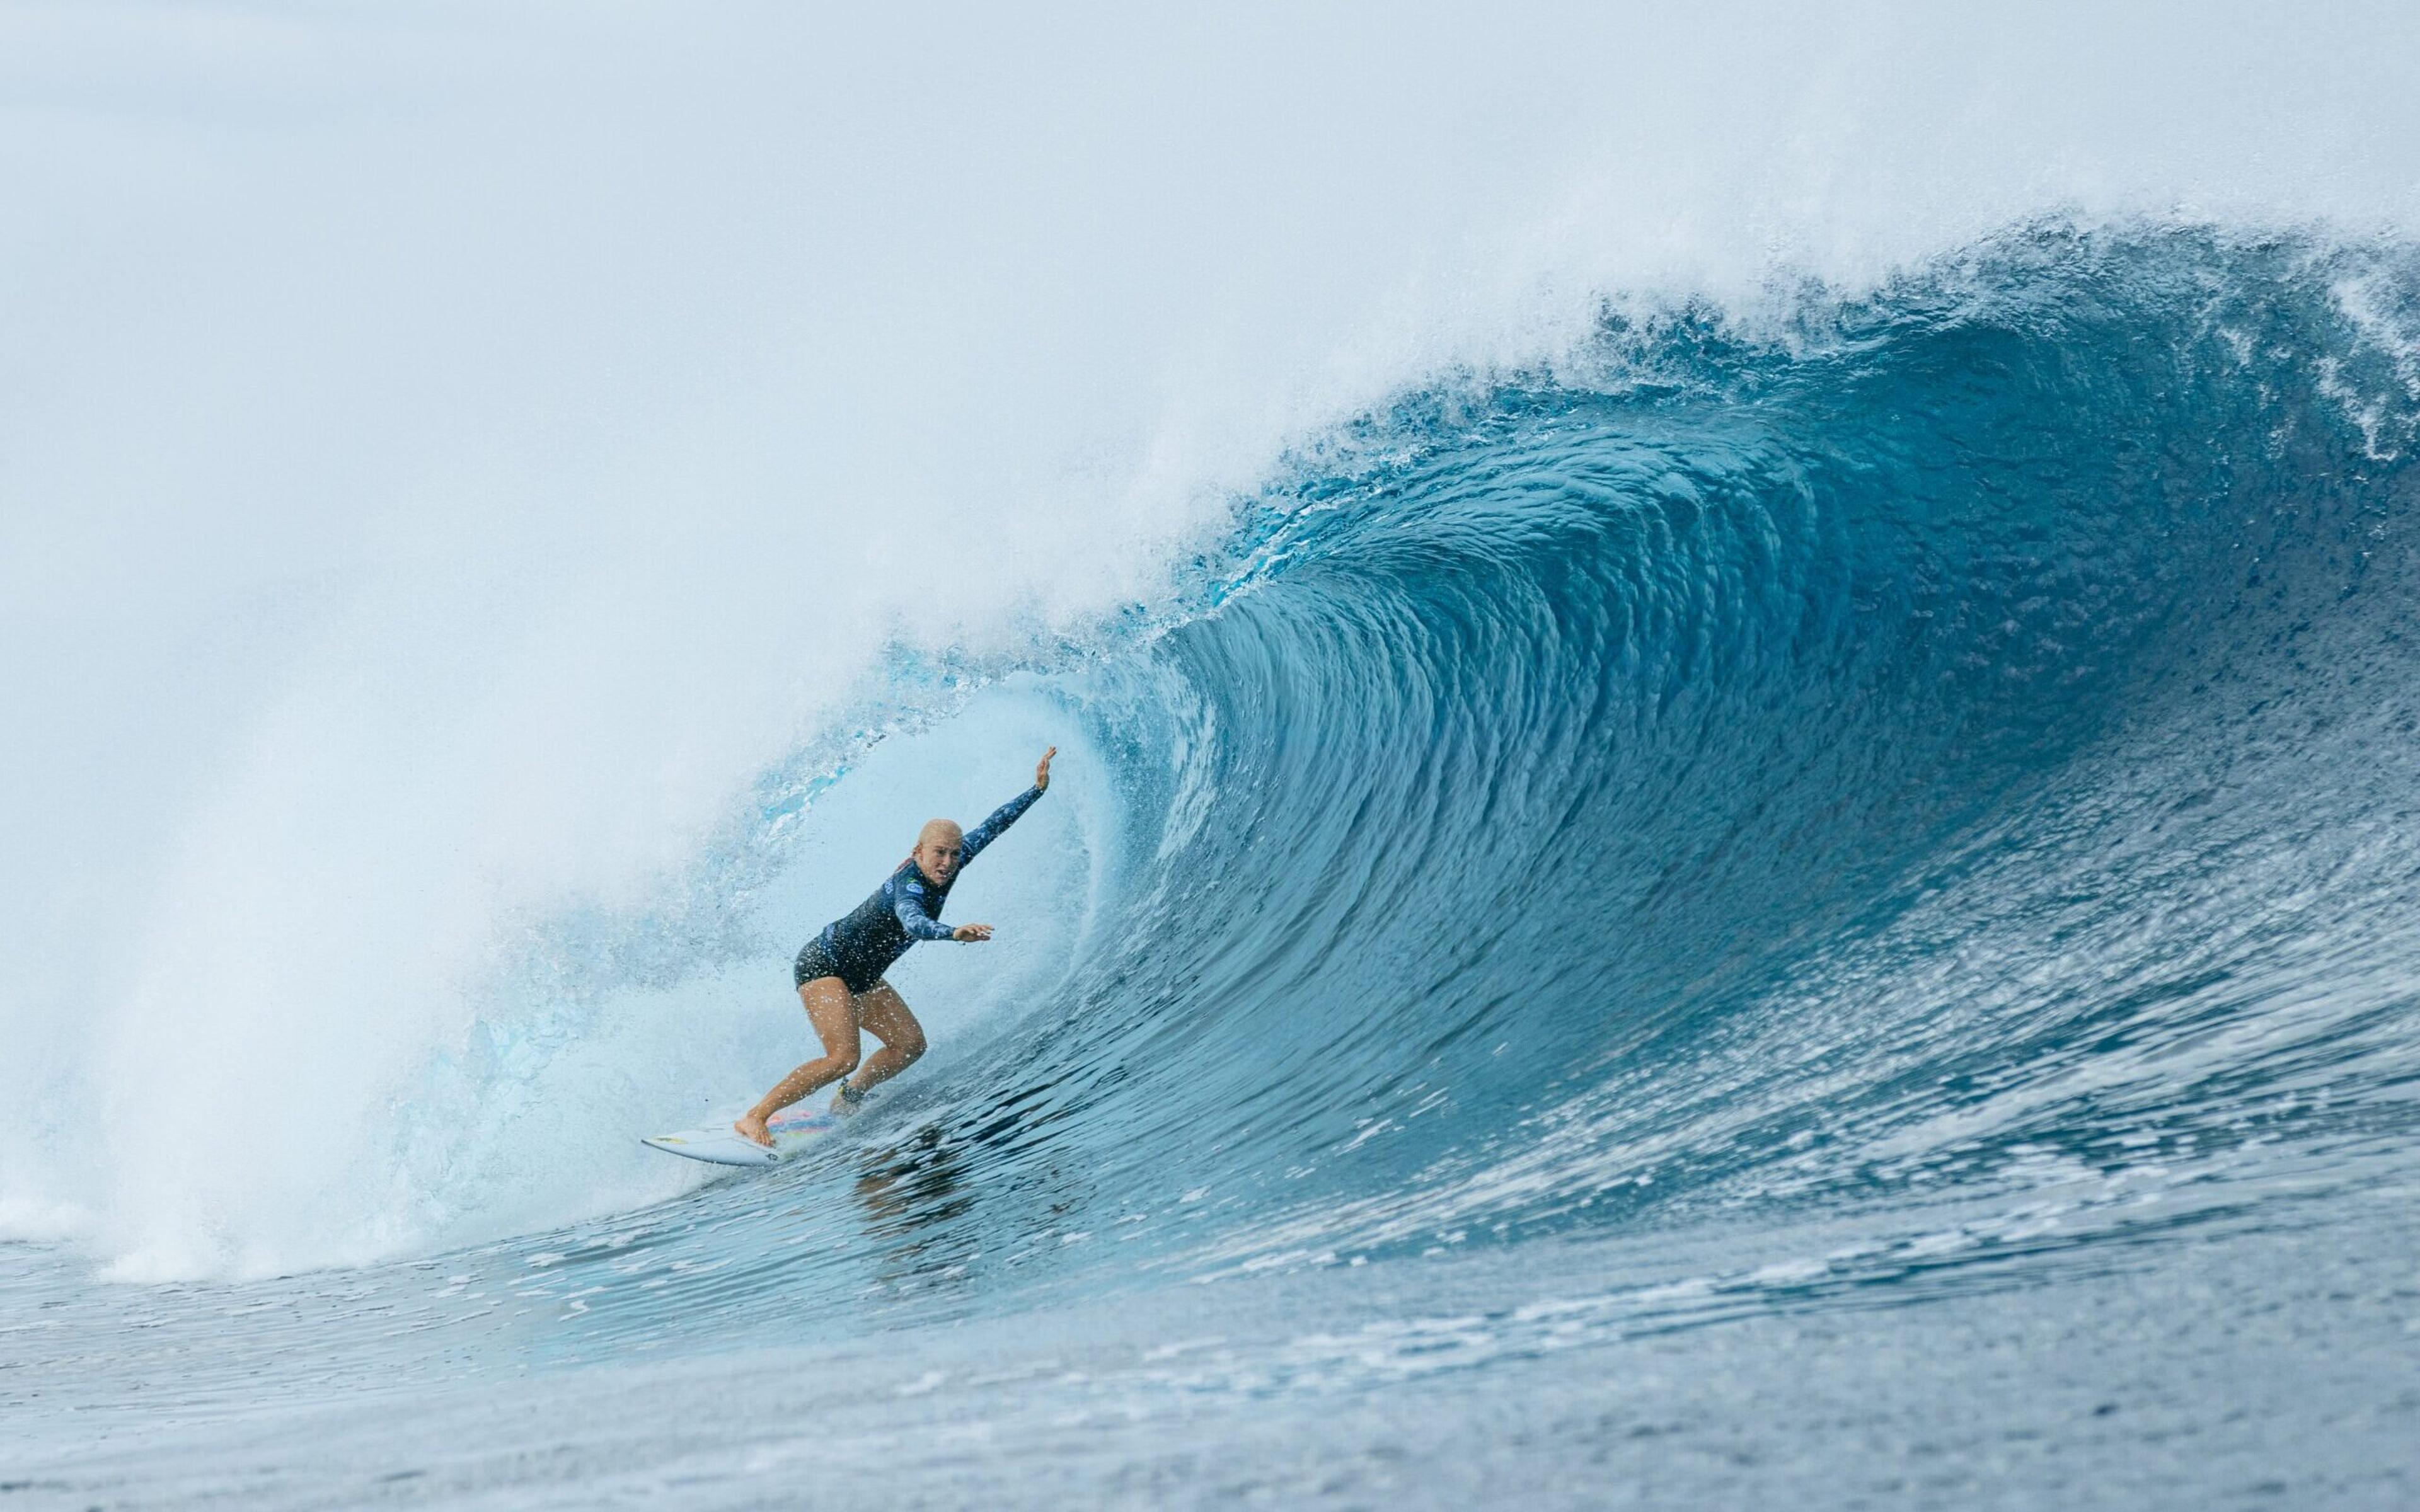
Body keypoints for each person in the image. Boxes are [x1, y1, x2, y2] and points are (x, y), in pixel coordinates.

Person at [734, 747, 1056, 1148]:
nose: (948, 862)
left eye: (955, 854)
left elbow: (992, 827)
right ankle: (755, 1117)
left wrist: (1036, 790)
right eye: (939, 853)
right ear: (916, 853)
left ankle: (848, 1099)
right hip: (824, 965)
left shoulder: (951, 861)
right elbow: (915, 923)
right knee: (842, 1058)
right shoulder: (909, 890)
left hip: (862, 976)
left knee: (909, 1045)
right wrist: (954, 932)